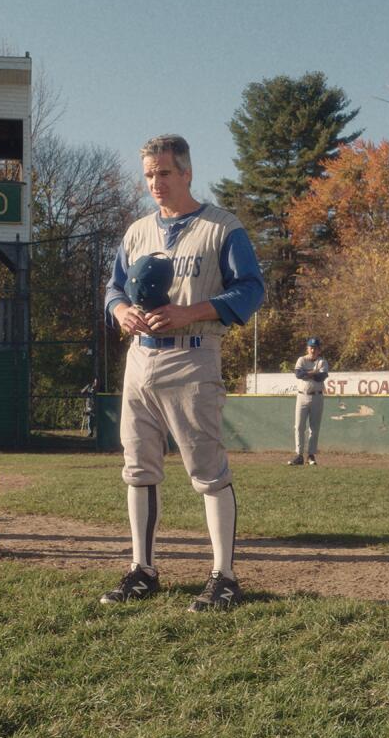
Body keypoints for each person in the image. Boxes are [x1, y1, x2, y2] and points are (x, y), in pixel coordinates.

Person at [99, 134, 266, 611]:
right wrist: (120, 311)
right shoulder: (136, 231)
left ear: (187, 173)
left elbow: (251, 290)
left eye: (165, 172)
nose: (155, 181)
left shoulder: (221, 227)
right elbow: (113, 287)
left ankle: (224, 577)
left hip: (193, 354)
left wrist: (189, 312)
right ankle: (142, 569)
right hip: (141, 359)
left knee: (208, 471)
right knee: (138, 468)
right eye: (150, 173)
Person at [288, 337, 330, 466]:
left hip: (317, 396)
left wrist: (307, 373)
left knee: (314, 428)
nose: (313, 350)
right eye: (311, 347)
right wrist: (312, 372)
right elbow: (298, 374)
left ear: (319, 350)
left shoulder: (322, 361)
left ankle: (311, 455)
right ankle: (299, 455)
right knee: (299, 426)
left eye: (315, 348)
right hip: (302, 396)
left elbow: (321, 377)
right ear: (307, 348)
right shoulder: (302, 359)